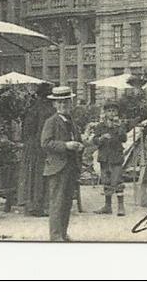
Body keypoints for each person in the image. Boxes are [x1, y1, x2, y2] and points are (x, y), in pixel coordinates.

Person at [40, 86, 83, 242]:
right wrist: (65, 146)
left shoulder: (72, 121)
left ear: (70, 103)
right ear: (54, 105)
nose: (63, 105)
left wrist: (79, 145)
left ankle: (63, 233)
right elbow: (45, 143)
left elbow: (77, 139)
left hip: (71, 167)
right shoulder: (51, 122)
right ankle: (56, 235)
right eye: (60, 103)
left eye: (66, 102)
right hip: (57, 167)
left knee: (66, 203)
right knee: (57, 202)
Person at [18, 83, 54, 217]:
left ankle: (32, 204)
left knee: (32, 175)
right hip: (42, 146)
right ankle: (41, 205)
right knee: (41, 175)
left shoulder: (32, 108)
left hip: (32, 145)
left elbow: (26, 129)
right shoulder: (48, 109)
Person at [92, 102, 127, 216]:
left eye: (114, 111)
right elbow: (95, 140)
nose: (111, 113)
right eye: (109, 111)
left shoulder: (120, 125)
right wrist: (101, 138)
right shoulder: (100, 126)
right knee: (106, 181)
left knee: (117, 181)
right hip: (104, 157)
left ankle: (121, 207)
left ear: (117, 113)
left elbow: (124, 139)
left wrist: (118, 128)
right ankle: (107, 206)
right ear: (105, 113)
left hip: (116, 157)